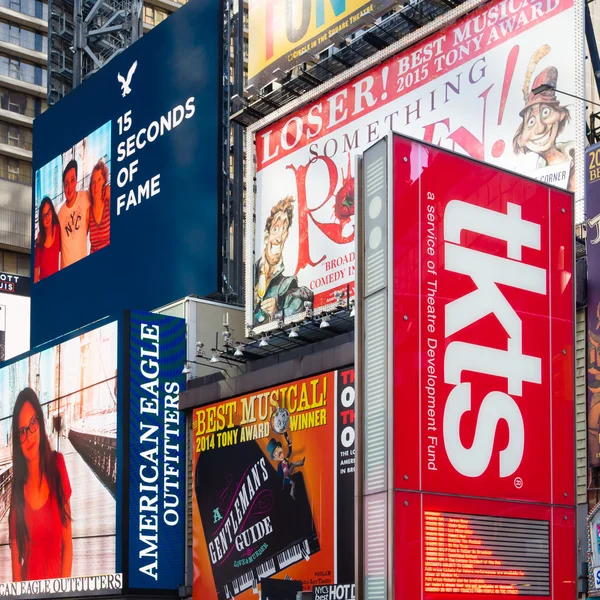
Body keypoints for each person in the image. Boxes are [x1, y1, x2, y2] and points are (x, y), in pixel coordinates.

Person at [9, 388, 72, 581]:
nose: (28, 436)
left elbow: (67, 544)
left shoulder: (58, 465)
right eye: (22, 431)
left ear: (41, 422)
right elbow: (16, 566)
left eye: (33, 423)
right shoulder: (17, 490)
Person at [513, 48, 575, 191]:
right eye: (531, 122)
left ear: (560, 114)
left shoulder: (576, 157)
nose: (540, 128)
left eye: (546, 112)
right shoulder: (529, 179)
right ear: (521, 138)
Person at [254, 196, 313, 326]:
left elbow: (301, 304)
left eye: (284, 229)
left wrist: (276, 312)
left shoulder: (286, 284)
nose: (279, 238)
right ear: (266, 236)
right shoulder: (252, 274)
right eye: (275, 229)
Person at [58, 159, 90, 269]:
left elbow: (100, 194)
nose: (69, 187)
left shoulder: (85, 197)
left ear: (76, 181)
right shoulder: (60, 213)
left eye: (72, 180)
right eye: (66, 183)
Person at [34, 197, 61, 282]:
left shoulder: (58, 229)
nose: (47, 218)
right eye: (44, 215)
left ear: (52, 212)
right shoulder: (39, 240)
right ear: (41, 218)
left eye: (48, 212)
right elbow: (36, 271)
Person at [88, 159, 111, 253]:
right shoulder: (88, 212)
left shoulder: (109, 202)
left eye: (99, 180)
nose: (96, 185)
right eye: (93, 182)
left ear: (104, 181)